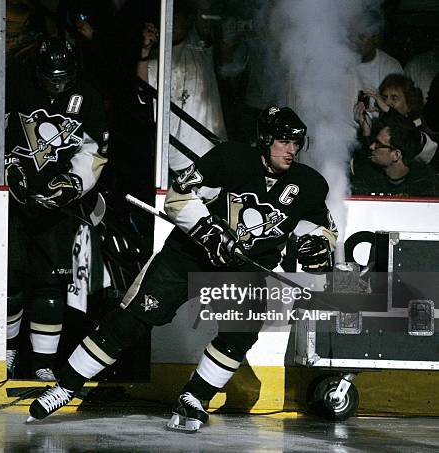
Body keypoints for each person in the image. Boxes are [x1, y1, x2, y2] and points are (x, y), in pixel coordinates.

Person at [26, 106, 337, 432]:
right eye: (284, 141)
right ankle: (64, 387)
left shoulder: (310, 184)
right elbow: (178, 194)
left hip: (241, 270)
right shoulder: (230, 157)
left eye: (296, 143)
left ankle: (195, 397)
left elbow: (325, 230)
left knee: (241, 333)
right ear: (265, 138)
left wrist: (319, 244)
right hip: (187, 256)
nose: (291, 150)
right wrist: (207, 231)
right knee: (131, 320)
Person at [5, 37, 109, 380]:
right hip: (13, 203)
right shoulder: (14, 87)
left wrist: (72, 183)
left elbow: (93, 152)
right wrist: (6, 168)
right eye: (51, 77)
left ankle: (43, 363)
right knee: (11, 280)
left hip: (59, 207)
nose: (58, 83)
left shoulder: (89, 98)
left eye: (63, 77)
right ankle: (4, 355)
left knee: (51, 282)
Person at [137, 0, 227, 174]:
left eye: (179, 18)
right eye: (171, 19)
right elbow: (143, 95)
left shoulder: (198, 47)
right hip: (176, 157)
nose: (175, 24)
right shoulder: (155, 60)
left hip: (209, 148)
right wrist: (144, 50)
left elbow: (205, 16)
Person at [351, 110, 437, 197]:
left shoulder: (424, 185)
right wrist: (366, 133)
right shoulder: (368, 173)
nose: (372, 147)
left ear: (396, 155)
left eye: (378, 144)